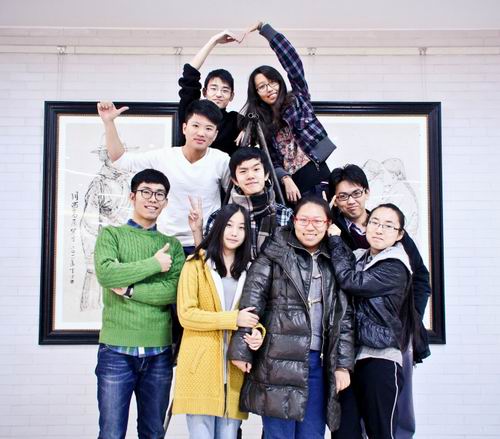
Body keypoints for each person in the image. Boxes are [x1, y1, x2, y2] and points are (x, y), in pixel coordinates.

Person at [228, 196, 354, 438]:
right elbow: (253, 298)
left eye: (317, 221)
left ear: (328, 224)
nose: (310, 226)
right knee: (278, 435)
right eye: (304, 220)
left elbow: (345, 316)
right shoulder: (275, 250)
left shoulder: (337, 258)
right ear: (294, 221)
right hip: (276, 360)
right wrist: (242, 349)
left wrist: (342, 365)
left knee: (312, 434)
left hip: (318, 363)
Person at [328, 164, 431, 439]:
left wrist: (405, 321)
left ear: (367, 192)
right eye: (342, 196)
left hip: (384, 343)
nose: (351, 201)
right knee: (348, 426)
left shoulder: (391, 233)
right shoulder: (336, 231)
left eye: (356, 193)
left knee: (391, 419)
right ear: (335, 201)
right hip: (351, 347)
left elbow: (421, 279)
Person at [93, 169, 185, 439]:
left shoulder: (172, 245)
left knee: (153, 433)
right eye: (146, 192)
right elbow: (107, 274)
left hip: (159, 353)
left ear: (165, 202)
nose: (152, 199)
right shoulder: (111, 235)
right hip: (116, 352)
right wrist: (154, 264)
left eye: (159, 194)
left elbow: (173, 291)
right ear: (132, 196)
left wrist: (130, 289)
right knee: (111, 433)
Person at [173, 204, 265, 439]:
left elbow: (256, 315)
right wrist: (233, 319)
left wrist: (257, 333)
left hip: (234, 370)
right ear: (219, 228)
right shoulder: (195, 264)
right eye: (229, 225)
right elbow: (186, 315)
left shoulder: (250, 270)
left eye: (241, 228)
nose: (234, 232)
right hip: (200, 367)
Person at [97, 99, 231, 255]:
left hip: (206, 244)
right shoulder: (164, 157)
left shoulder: (221, 160)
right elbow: (120, 160)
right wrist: (109, 122)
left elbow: (234, 199)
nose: (201, 133)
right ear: (184, 128)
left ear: (215, 134)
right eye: (195, 126)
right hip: (166, 243)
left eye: (208, 128)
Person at [241, 21, 336, 203]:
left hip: (318, 176)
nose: (269, 89)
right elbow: (271, 160)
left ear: (280, 82)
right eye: (262, 86)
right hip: (291, 188)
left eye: (272, 82)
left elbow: (292, 62)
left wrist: (264, 29)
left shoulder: (298, 99)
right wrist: (285, 178)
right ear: (257, 93)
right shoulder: (263, 124)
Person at [190, 147, 293, 258]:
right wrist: (197, 231)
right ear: (235, 180)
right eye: (243, 171)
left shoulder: (284, 215)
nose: (250, 176)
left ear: (266, 175)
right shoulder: (218, 218)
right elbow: (208, 260)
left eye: (256, 169)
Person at [178, 30, 240, 156]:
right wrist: (213, 41)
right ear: (205, 92)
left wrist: (248, 128)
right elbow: (190, 73)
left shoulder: (235, 121)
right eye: (214, 88)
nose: (219, 94)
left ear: (231, 96)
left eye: (225, 90)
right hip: (186, 166)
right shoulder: (192, 110)